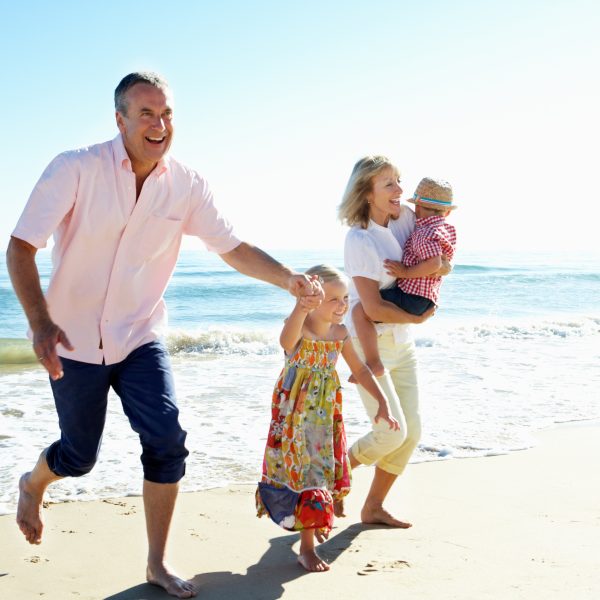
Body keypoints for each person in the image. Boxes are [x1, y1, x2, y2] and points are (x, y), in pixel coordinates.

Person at [6, 72, 321, 599]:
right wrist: (39, 322)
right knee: (79, 458)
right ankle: (33, 483)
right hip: (72, 338)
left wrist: (287, 278)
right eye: (147, 114)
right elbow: (20, 248)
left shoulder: (187, 184)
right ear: (120, 120)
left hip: (139, 336)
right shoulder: (76, 168)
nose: (159, 124)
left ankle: (157, 562)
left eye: (168, 113)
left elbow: (231, 247)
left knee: (167, 438)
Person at [255, 264, 400, 572]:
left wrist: (383, 402)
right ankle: (307, 546)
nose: (342, 305)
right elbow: (285, 342)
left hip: (324, 416)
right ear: (313, 300)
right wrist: (300, 304)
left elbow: (360, 370)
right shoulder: (300, 327)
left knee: (320, 470)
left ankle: (318, 517)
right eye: (333, 299)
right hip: (294, 416)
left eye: (345, 298)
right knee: (306, 473)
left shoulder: (340, 333)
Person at [339, 156, 450, 528]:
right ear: (366, 192)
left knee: (412, 432)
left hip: (402, 341)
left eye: (399, 181)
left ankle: (372, 507)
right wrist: (418, 318)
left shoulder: (406, 218)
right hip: (373, 343)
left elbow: (440, 242)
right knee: (390, 431)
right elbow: (371, 307)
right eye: (388, 183)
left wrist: (443, 266)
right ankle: (332, 473)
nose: (399, 190)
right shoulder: (360, 238)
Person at [352, 176, 457, 376]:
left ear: (417, 208)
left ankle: (373, 362)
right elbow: (443, 262)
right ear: (448, 211)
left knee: (359, 311)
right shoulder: (447, 230)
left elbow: (435, 263)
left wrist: (405, 272)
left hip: (414, 298)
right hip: (427, 299)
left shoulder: (423, 232)